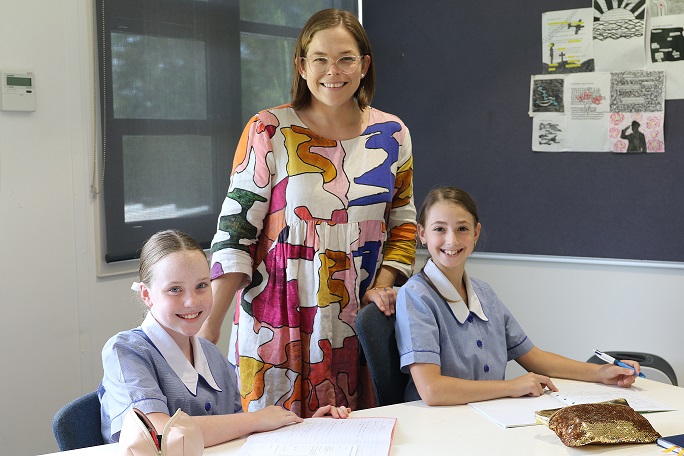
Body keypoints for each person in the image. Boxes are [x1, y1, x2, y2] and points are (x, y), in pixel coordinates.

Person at [199, 8, 416, 417]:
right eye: (320, 58)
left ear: (364, 64)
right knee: (274, 434)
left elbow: (403, 224)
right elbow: (235, 234)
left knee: (357, 432)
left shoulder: (393, 134)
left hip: (359, 316)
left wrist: (382, 286)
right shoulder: (269, 129)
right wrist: (211, 321)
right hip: (278, 312)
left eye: (346, 58)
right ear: (301, 65)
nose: (333, 71)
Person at [394, 187, 642, 406]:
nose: (452, 240)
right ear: (422, 234)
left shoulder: (484, 293)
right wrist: (512, 387)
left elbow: (535, 358)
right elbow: (432, 390)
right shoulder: (416, 296)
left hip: (489, 415)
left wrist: (601, 372)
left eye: (462, 229)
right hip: (438, 426)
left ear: (476, 233)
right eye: (439, 229)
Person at [99, 230, 350, 446]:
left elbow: (239, 437)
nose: (192, 302)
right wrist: (255, 419)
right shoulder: (125, 351)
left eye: (202, 285)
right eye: (175, 289)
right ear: (146, 295)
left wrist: (308, 431)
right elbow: (158, 436)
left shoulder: (211, 355)